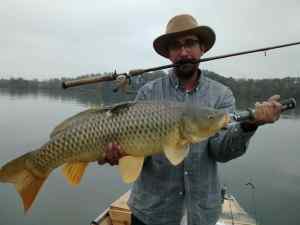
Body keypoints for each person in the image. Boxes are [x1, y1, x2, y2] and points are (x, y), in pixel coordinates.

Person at [99, 14, 282, 225]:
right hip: (150, 212)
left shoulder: (221, 95)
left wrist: (250, 125)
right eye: (176, 46)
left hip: (201, 214)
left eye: (190, 43)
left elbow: (221, 151)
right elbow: (141, 154)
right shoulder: (148, 93)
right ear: (169, 54)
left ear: (202, 48)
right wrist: (121, 154)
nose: (184, 51)